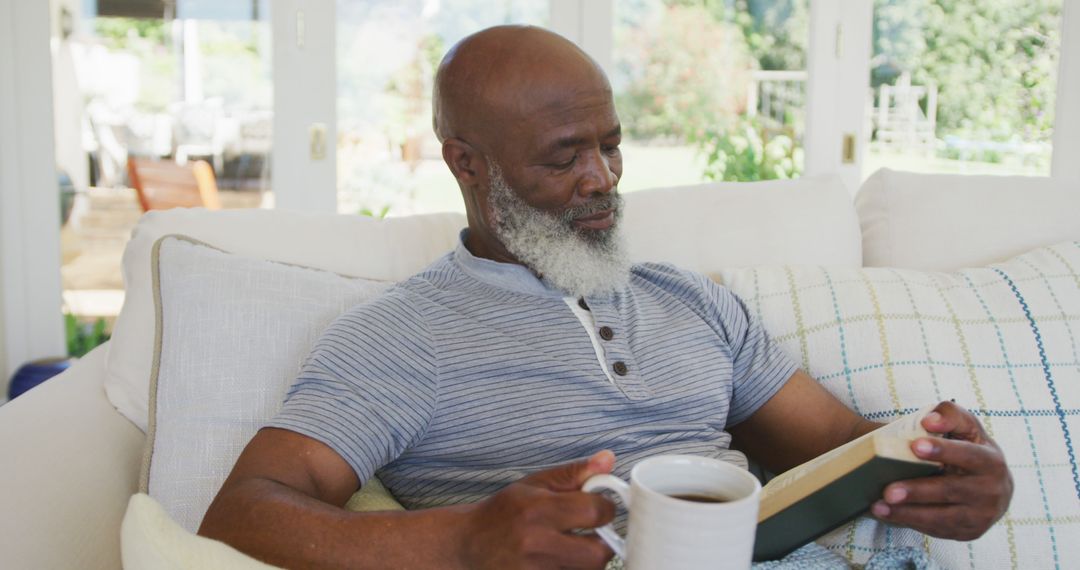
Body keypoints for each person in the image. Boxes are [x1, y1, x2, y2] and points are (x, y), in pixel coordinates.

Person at [199, 25, 1012, 569]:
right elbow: (241, 514)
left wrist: (944, 472)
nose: (603, 179)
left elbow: (837, 446)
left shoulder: (691, 301)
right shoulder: (405, 334)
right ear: (467, 163)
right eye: (564, 157)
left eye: (612, 145)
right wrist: (463, 538)